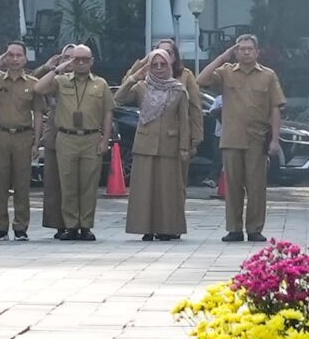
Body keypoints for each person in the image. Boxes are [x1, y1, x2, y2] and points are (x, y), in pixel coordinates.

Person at [206, 33, 285, 243]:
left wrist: (275, 140)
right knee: (232, 187)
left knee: (256, 186)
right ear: (236, 52)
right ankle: (233, 228)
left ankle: (254, 229)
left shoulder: (268, 76)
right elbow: (200, 80)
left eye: (250, 48)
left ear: (257, 52)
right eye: (241, 48)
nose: (246, 52)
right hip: (231, 138)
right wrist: (223, 56)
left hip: (257, 139)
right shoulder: (226, 73)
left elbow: (275, 108)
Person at [110, 47, 187, 241]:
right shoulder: (142, 87)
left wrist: (184, 146)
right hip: (145, 143)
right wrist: (134, 76)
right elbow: (118, 98)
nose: (159, 68)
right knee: (144, 189)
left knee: (167, 189)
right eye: (155, 65)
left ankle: (167, 228)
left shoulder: (178, 89)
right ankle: (146, 227)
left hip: (169, 144)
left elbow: (184, 120)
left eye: (163, 64)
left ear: (170, 65)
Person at [0, 42, 42, 241]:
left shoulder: (32, 83)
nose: (14, 59)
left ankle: (21, 227)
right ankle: (0, 228)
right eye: (10, 55)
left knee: (22, 183)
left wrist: (37, 141)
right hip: (1, 134)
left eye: (19, 55)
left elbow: (37, 113)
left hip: (23, 135)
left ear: (25, 58)